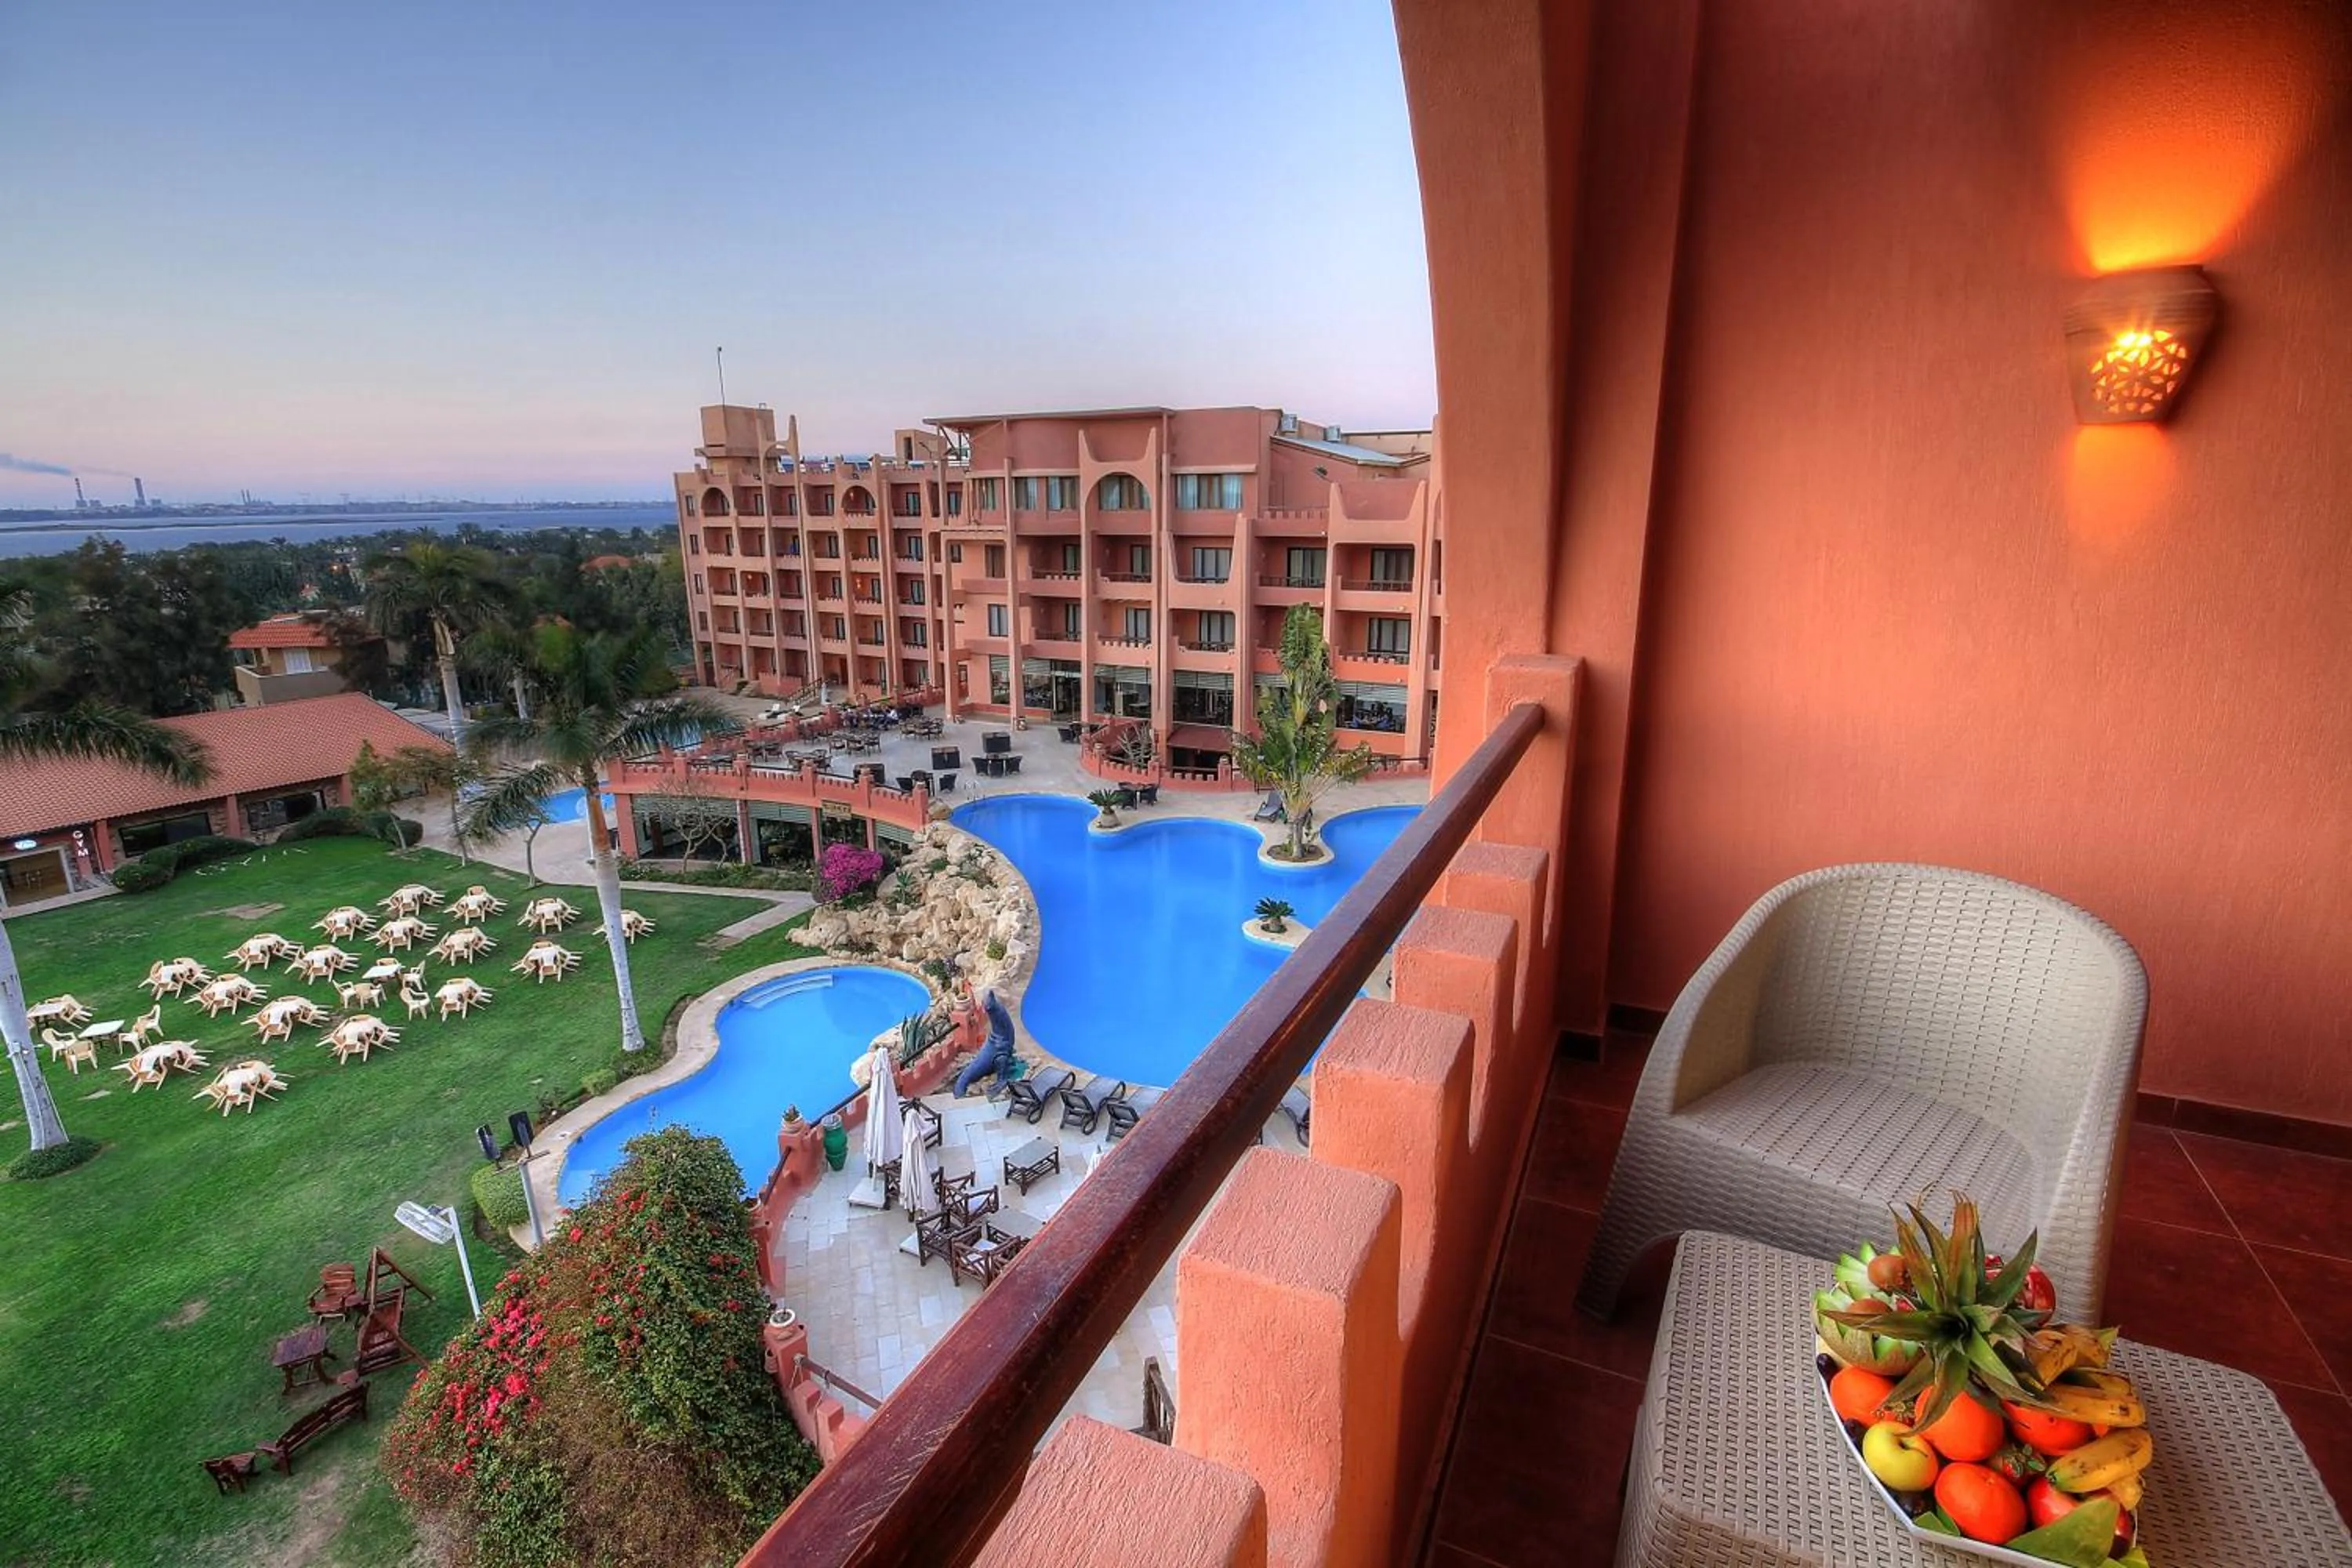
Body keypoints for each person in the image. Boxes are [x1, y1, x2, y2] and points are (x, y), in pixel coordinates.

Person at [953, 979, 1018, 1098]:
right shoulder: (996, 1010)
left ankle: (961, 1086)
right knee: (1000, 1056)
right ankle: (1001, 1079)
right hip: (998, 1046)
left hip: (998, 1042)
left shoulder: (996, 1010)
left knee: (1001, 1049)